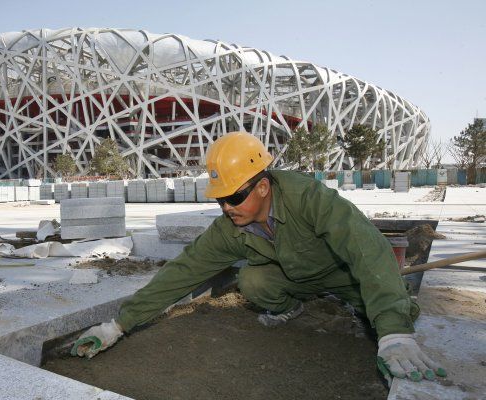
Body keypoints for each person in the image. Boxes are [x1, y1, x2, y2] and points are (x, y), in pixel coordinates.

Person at [71, 131, 446, 384]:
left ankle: (380, 313)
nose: (226, 208)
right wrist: (117, 326)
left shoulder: (309, 199)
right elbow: (182, 273)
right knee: (252, 280)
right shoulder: (231, 227)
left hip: (343, 275)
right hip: (294, 279)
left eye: (234, 197)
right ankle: (293, 305)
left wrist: (394, 330)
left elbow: (367, 250)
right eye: (220, 199)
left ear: (263, 186)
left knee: (389, 307)